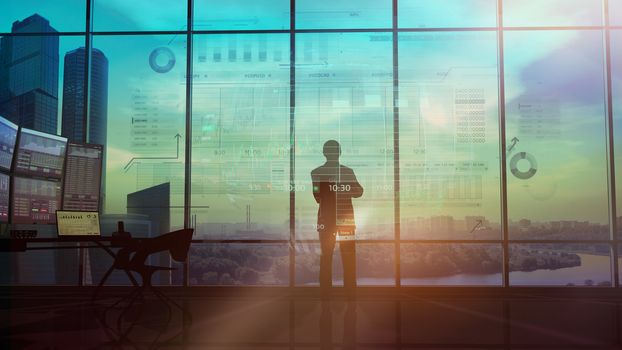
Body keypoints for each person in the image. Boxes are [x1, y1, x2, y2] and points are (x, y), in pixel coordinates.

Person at [311, 140, 363, 297]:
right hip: (345, 219)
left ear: (324, 152)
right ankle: (350, 291)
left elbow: (317, 196)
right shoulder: (347, 172)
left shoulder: (316, 173)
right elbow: (359, 192)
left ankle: (325, 292)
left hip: (326, 219)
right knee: (348, 256)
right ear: (340, 152)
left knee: (325, 257)